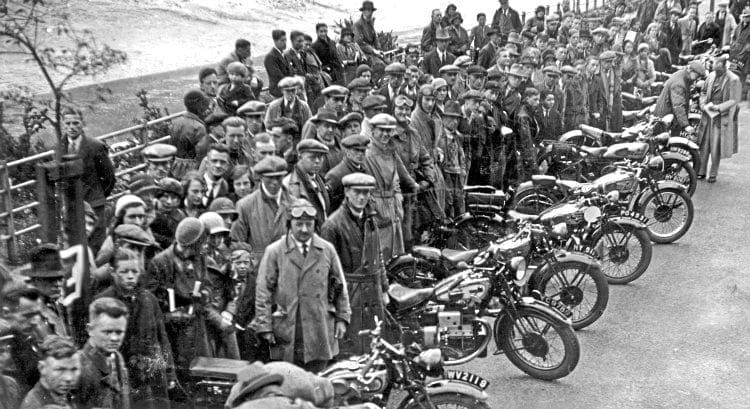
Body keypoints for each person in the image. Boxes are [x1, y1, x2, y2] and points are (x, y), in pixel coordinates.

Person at [254, 199, 351, 373]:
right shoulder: (275, 251)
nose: (304, 229)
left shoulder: (326, 249)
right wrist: (265, 326)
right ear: (289, 225)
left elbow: (339, 286)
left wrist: (342, 318)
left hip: (319, 326)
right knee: (288, 380)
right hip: (288, 328)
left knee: (318, 378)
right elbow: (263, 292)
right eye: (299, 224)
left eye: (309, 224)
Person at [95, 248, 176, 409]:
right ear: (113, 272)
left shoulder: (149, 299)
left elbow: (162, 337)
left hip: (151, 376)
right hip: (121, 377)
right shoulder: (102, 302)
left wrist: (170, 372)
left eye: (135, 271)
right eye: (124, 271)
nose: (131, 276)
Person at [321, 173, 388, 356]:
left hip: (372, 294)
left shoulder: (370, 219)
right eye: (357, 192)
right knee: (351, 349)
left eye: (366, 193)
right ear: (346, 192)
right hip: (349, 295)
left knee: (374, 345)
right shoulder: (332, 226)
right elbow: (328, 273)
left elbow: (378, 255)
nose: (361, 197)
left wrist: (383, 288)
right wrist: (336, 311)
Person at [145, 218, 220, 381]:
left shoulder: (200, 258)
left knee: (201, 374)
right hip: (172, 332)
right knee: (179, 378)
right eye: (201, 244)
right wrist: (170, 315)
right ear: (192, 244)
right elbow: (150, 301)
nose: (203, 247)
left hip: (196, 328)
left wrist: (205, 294)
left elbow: (207, 284)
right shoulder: (160, 262)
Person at [59, 107, 116, 252]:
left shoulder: (95, 146)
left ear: (82, 124)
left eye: (76, 123)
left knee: (95, 246)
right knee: (74, 246)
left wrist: (98, 196)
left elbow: (109, 177)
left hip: (94, 203)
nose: (72, 127)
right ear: (63, 124)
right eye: (68, 123)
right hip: (72, 206)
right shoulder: (59, 147)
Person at [363, 114, 419, 260]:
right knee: (380, 254)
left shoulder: (391, 150)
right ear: (373, 130)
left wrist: (405, 192)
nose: (385, 134)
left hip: (393, 207)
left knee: (396, 254)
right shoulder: (367, 154)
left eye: (388, 131)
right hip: (377, 208)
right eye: (381, 130)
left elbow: (401, 173)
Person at [232, 155, 294, 263]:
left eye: (278, 177)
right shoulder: (245, 205)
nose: (274, 182)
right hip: (259, 271)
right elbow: (236, 242)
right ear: (261, 177)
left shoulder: (294, 204)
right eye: (270, 178)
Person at [76, 297, 130, 409]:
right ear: (90, 330)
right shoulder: (77, 365)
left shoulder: (116, 357)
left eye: (119, 332)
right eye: (107, 332)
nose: (114, 338)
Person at [698, 56, 742, 182]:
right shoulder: (711, 76)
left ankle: (713, 174)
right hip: (708, 114)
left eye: (717, 67)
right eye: (713, 66)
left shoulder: (734, 79)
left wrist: (720, 107)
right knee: (704, 144)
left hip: (722, 117)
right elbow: (703, 92)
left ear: (724, 66)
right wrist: (703, 105)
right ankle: (701, 171)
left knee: (716, 146)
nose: (714, 69)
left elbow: (735, 99)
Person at [1, 284, 44, 393]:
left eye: (38, 314)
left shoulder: (25, 335)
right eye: (28, 315)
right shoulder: (5, 347)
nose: (35, 321)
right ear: (6, 313)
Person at [21, 244, 69, 338]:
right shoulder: (29, 310)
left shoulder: (57, 304)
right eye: (51, 280)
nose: (57, 284)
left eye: (60, 279)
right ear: (35, 281)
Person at [19, 335, 80, 409]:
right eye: (60, 370)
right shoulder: (35, 406)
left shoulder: (64, 394)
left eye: (74, 369)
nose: (69, 378)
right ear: (42, 368)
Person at [283, 139, 331, 227]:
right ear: (300, 158)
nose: (317, 161)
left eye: (320, 157)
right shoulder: (290, 184)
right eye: (312, 157)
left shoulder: (318, 179)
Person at [170, 89, 212, 180]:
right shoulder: (199, 127)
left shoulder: (176, 122)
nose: (206, 109)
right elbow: (201, 154)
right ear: (198, 105)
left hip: (176, 165)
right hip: (191, 168)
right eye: (203, 105)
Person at [654, 60, 705, 135]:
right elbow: (678, 105)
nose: (697, 79)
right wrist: (686, 125)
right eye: (697, 76)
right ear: (690, 70)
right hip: (667, 117)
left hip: (668, 114)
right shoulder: (679, 84)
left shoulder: (681, 75)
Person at [436, 101, 467, 218]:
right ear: (443, 118)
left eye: (457, 119)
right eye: (451, 118)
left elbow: (461, 155)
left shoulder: (458, 137)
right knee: (447, 201)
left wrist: (463, 170)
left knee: (459, 200)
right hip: (445, 174)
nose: (454, 122)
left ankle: (461, 223)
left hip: (457, 174)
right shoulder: (439, 136)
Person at [325, 133, 370, 211]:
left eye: (363, 151)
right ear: (347, 152)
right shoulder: (335, 175)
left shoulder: (364, 170)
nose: (360, 154)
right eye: (356, 150)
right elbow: (330, 207)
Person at [353, 1, 385, 81]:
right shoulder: (357, 24)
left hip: (373, 52)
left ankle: (379, 83)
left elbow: (375, 38)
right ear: (363, 11)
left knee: (390, 63)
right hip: (363, 53)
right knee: (380, 66)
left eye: (371, 10)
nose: (370, 12)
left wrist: (379, 49)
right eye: (367, 10)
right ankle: (371, 84)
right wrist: (374, 50)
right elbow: (359, 43)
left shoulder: (370, 22)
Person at [516, 88, 541, 183]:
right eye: (535, 99)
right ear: (527, 99)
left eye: (538, 99)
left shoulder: (529, 112)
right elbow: (526, 140)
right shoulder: (524, 116)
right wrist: (532, 162)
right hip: (523, 156)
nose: (538, 102)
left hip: (526, 154)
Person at [264, 30, 293, 98]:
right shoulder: (270, 57)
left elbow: (291, 71)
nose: (285, 42)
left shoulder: (285, 54)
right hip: (278, 92)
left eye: (285, 40)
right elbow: (277, 76)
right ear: (275, 41)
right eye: (282, 40)